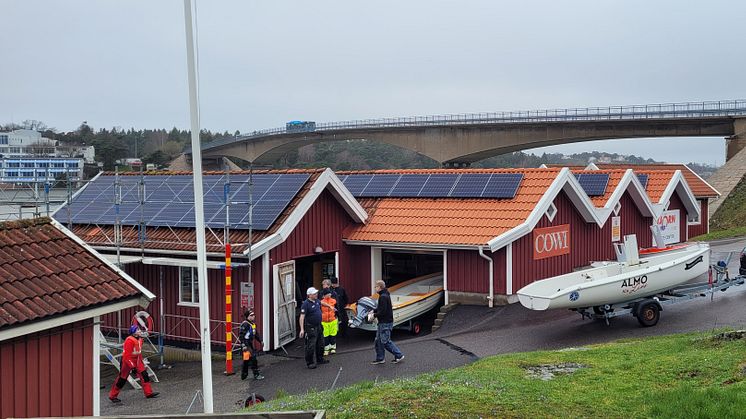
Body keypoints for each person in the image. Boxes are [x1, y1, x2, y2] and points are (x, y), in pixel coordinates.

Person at [109, 325, 159, 403]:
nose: (140, 331)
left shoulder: (139, 339)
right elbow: (127, 356)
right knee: (122, 379)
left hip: (138, 360)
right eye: (138, 330)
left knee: (145, 375)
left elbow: (140, 344)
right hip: (127, 362)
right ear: (133, 332)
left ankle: (149, 393)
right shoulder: (129, 341)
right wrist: (133, 367)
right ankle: (112, 396)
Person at [369, 280, 404, 365]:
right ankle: (380, 358)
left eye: (376, 287)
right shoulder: (385, 294)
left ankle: (399, 355)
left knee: (385, 341)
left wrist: (374, 315)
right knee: (378, 341)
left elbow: (383, 311)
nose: (375, 288)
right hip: (384, 322)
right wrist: (374, 310)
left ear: (379, 287)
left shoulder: (383, 297)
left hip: (385, 322)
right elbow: (381, 308)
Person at [299, 287, 328, 369]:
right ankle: (310, 362)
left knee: (321, 343)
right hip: (311, 327)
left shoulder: (317, 301)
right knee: (311, 345)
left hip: (319, 325)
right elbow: (302, 317)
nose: (316, 295)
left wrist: (329, 306)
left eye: (316, 293)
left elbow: (322, 302)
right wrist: (302, 329)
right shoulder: (306, 304)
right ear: (309, 295)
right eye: (314, 294)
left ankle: (320, 359)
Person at [239, 310, 264, 380]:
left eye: (253, 315)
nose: (253, 316)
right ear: (247, 316)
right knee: (253, 358)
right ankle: (256, 374)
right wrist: (243, 345)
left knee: (247, 359)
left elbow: (256, 334)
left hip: (250, 343)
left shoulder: (253, 324)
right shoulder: (245, 324)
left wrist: (260, 341)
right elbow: (241, 336)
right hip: (246, 344)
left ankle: (244, 374)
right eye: (251, 315)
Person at [320, 284, 338, 356]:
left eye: (329, 293)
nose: (329, 294)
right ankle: (326, 349)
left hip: (333, 320)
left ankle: (333, 348)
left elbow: (337, 309)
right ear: (324, 295)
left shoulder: (334, 301)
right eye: (328, 293)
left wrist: (338, 317)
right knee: (325, 336)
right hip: (324, 321)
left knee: (333, 335)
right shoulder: (321, 302)